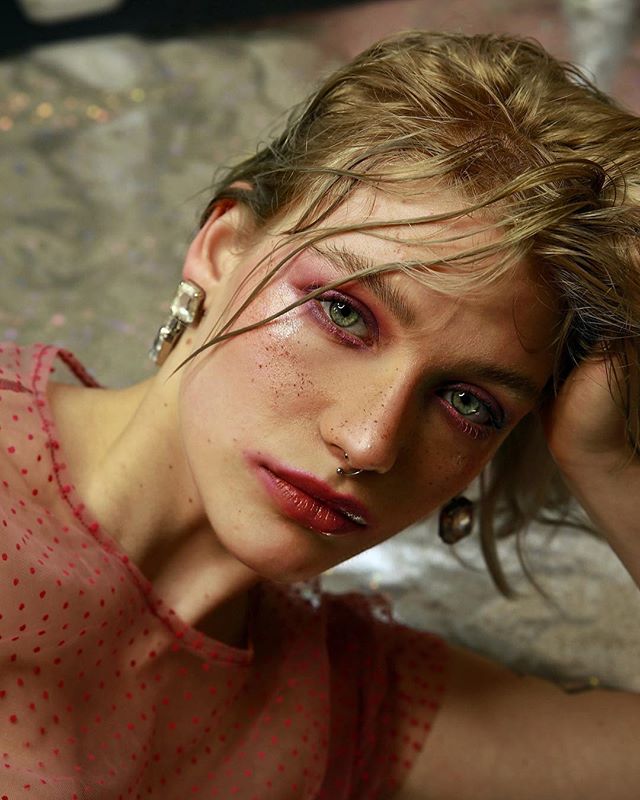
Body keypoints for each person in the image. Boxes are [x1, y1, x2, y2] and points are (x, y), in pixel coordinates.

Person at [1, 29, 639, 799]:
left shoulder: (341, 707)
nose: (369, 443)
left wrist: (605, 460)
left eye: (469, 403)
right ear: (223, 249)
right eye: (343, 313)